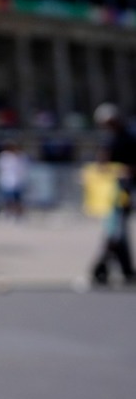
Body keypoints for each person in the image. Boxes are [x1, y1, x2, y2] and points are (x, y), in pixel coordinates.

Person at [89, 102, 134, 285]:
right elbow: (103, 164)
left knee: (116, 231)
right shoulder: (111, 138)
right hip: (110, 192)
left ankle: (101, 267)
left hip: (123, 191)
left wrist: (123, 171)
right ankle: (125, 270)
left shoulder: (127, 139)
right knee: (117, 231)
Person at [0, 139, 29, 219]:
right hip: (6, 180)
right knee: (7, 199)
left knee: (18, 200)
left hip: (18, 181)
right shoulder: (4, 156)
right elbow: (0, 168)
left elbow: (24, 169)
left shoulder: (21, 156)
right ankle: (7, 214)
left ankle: (19, 215)